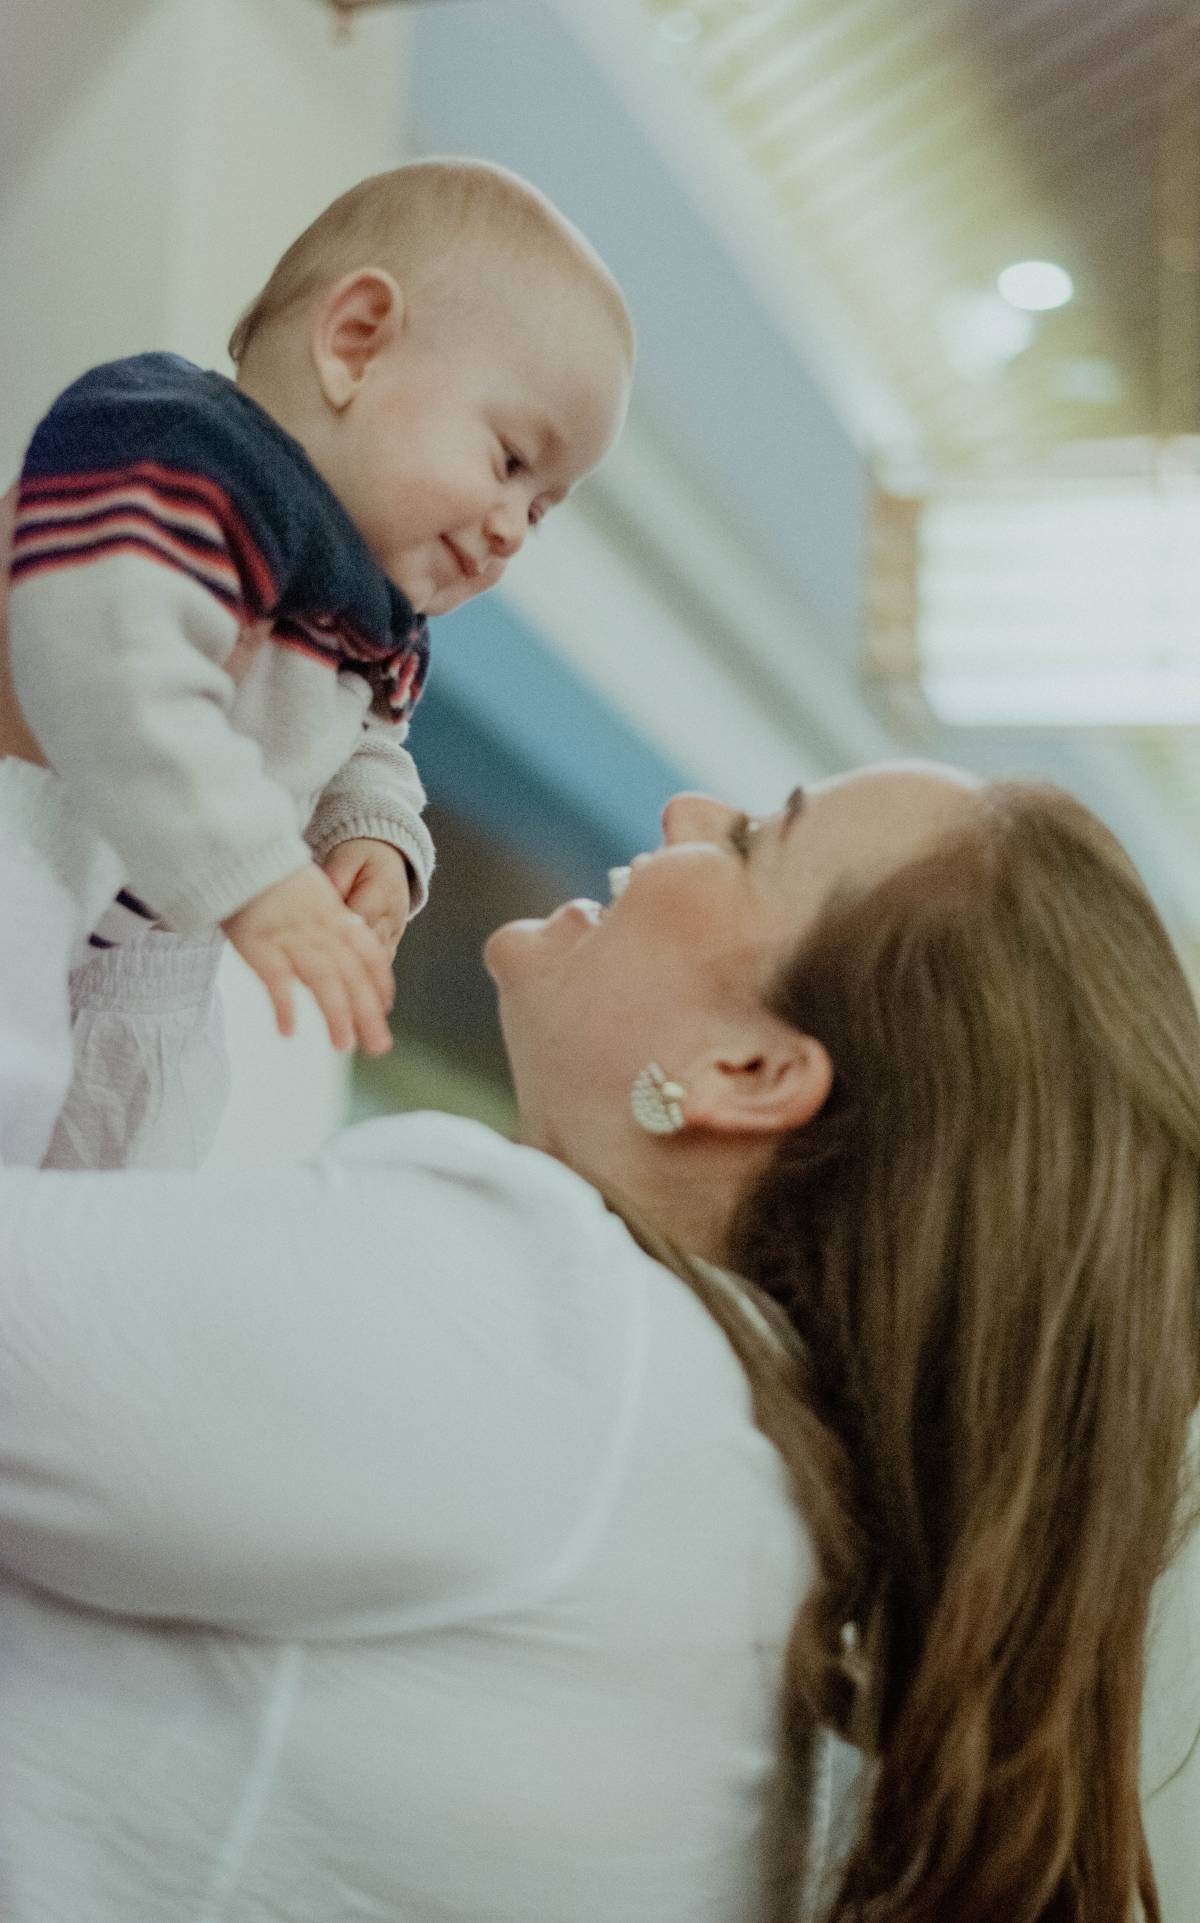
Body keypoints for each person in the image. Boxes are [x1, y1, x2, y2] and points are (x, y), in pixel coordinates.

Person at [0, 746, 1197, 1923]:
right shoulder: (733, 1502)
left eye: (746, 841)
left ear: (747, 1069)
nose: (686, 809)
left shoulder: (559, 1333)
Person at [2, 157, 633, 1164]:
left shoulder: (371, 609)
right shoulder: (186, 448)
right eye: (512, 461)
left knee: (142, 1163)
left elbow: (364, 735)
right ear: (355, 343)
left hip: (150, 929)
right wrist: (256, 875)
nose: (514, 527)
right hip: (31, 830)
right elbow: (111, 648)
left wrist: (373, 832)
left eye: (543, 509)